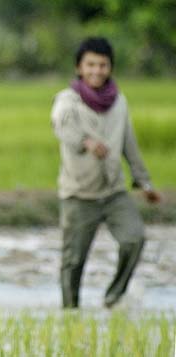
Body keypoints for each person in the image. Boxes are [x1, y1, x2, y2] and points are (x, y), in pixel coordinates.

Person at [51, 37, 161, 309]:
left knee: (134, 239)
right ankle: (70, 312)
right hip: (79, 194)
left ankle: (114, 296)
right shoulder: (68, 100)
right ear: (79, 67)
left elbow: (129, 144)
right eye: (90, 65)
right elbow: (60, 126)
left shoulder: (119, 101)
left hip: (113, 192)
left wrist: (144, 182)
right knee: (73, 261)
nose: (96, 71)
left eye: (102, 65)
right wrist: (85, 142)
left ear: (110, 68)